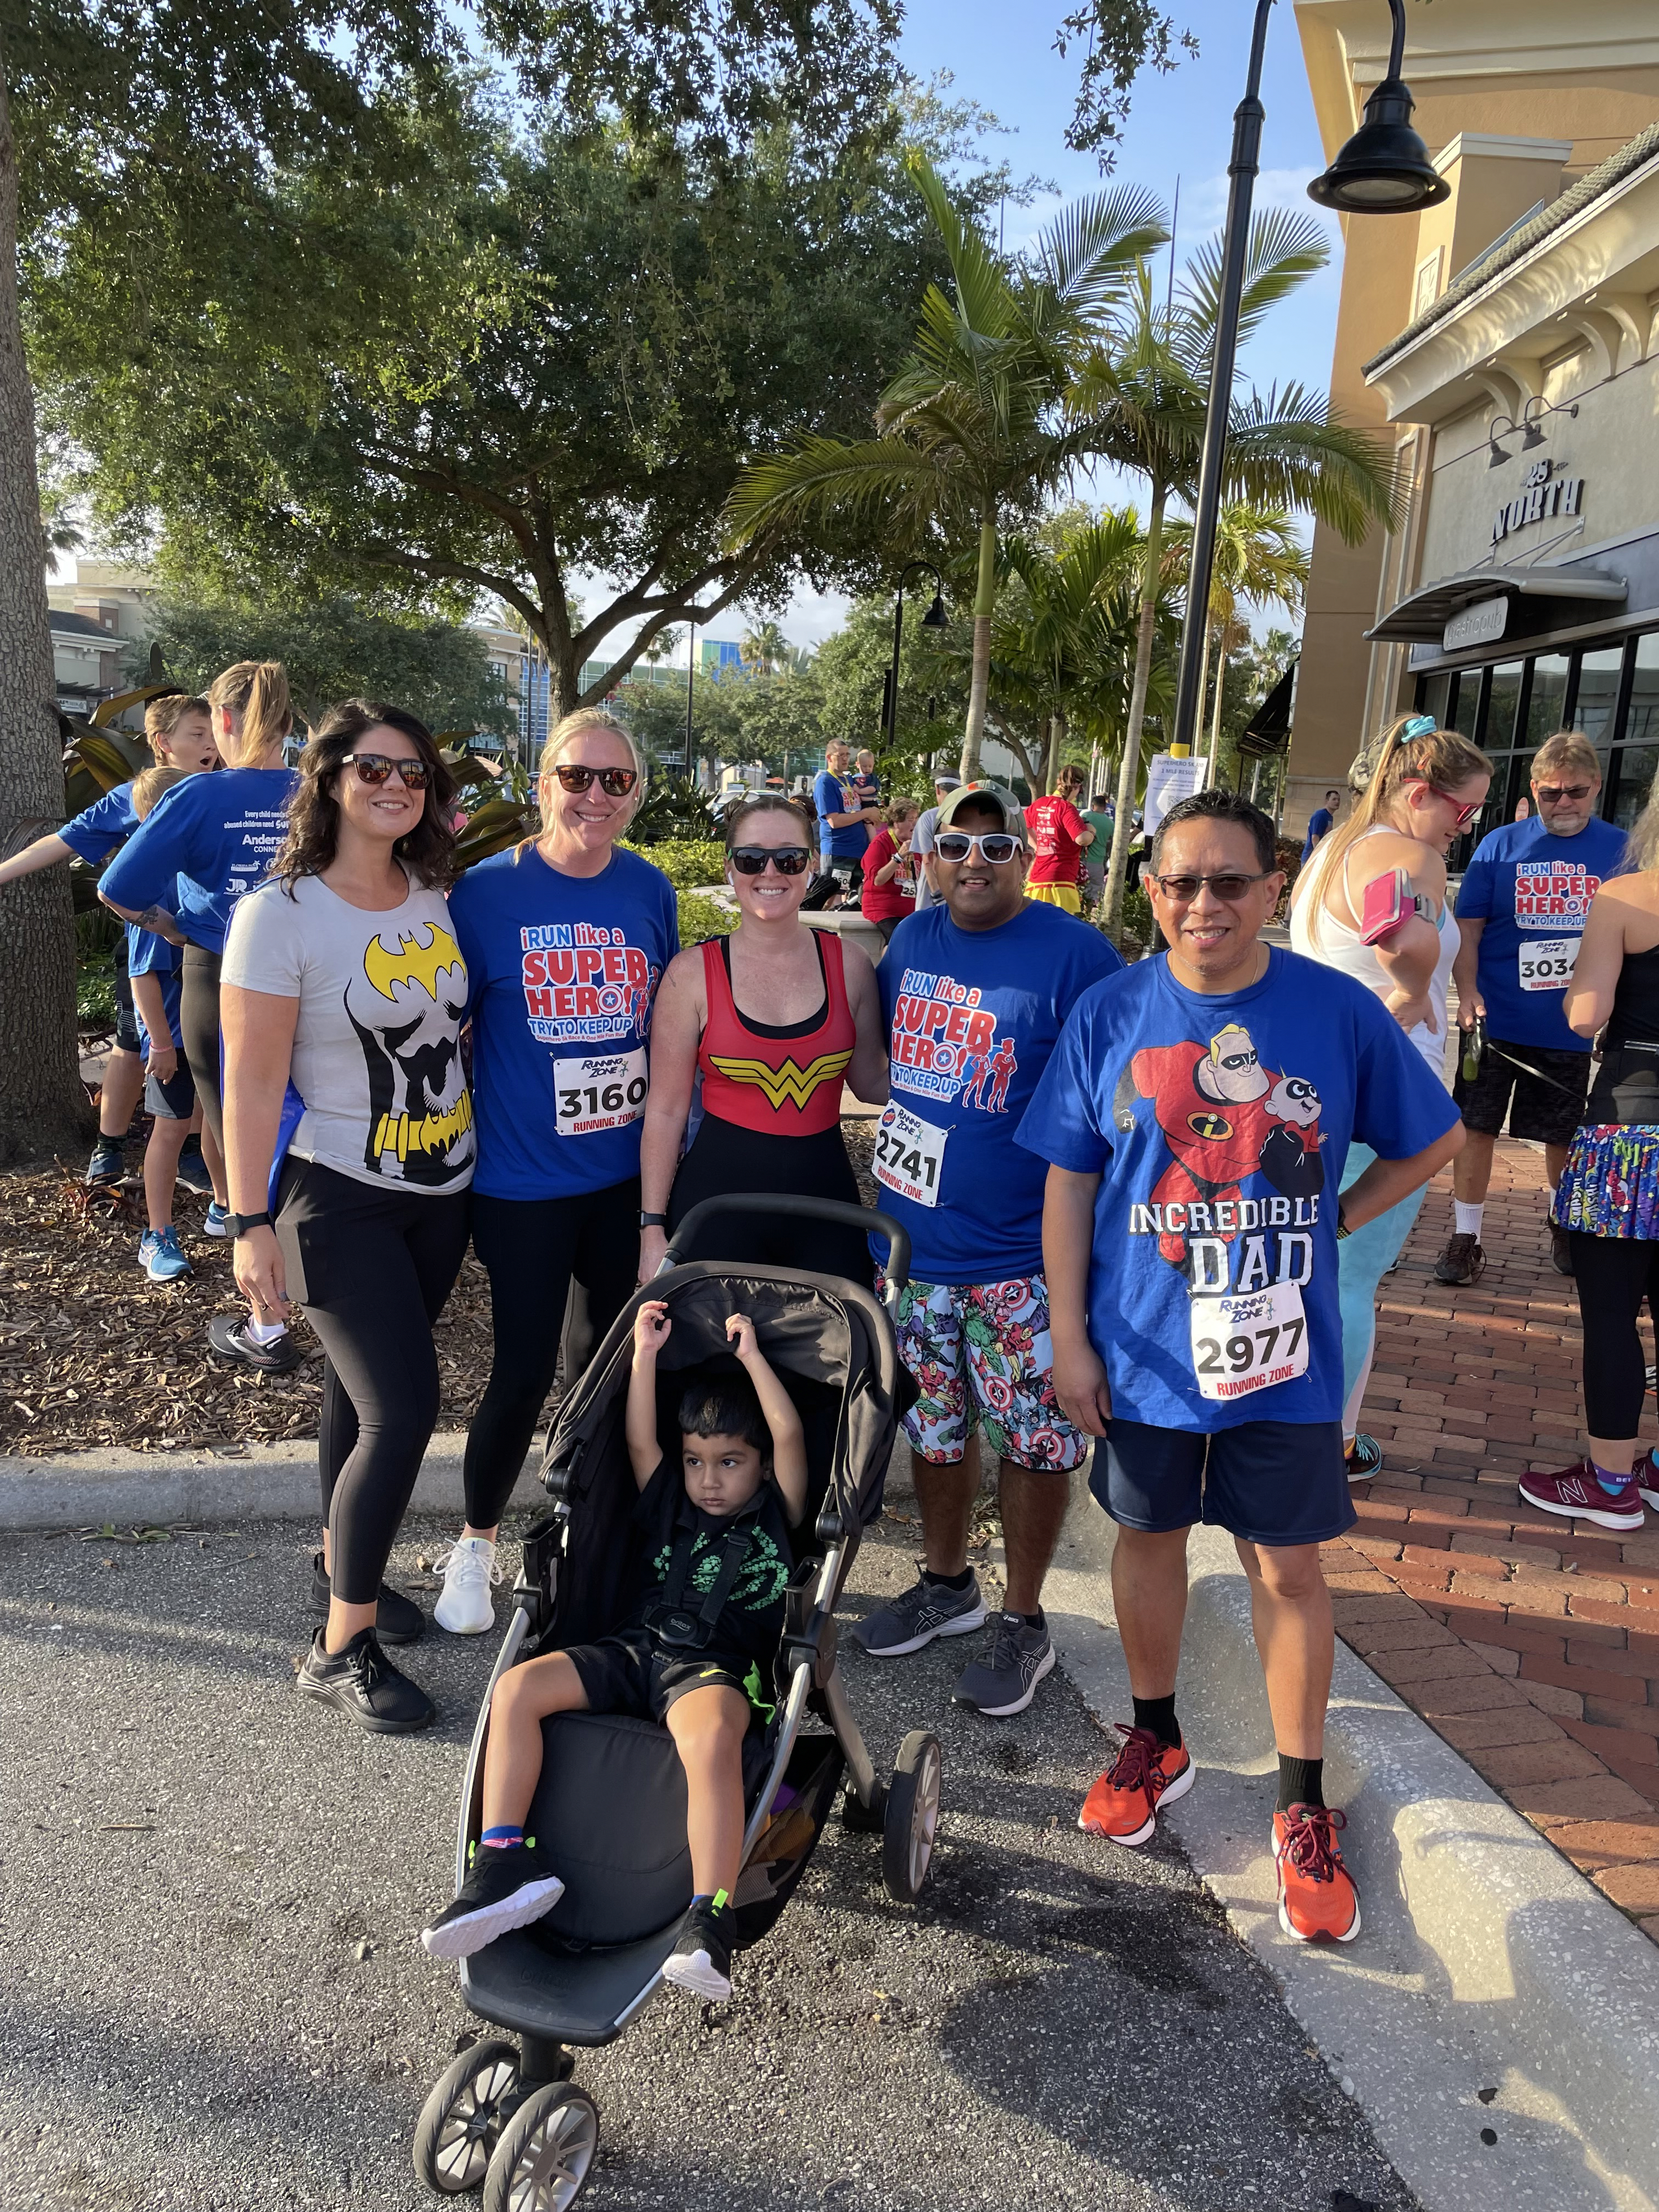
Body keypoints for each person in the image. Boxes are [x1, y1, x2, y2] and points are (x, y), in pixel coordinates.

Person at [1022, 788, 1462, 1943]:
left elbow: (1434, 1136)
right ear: (1151, 893)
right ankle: (1156, 1736)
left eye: (1230, 881)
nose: (1205, 903)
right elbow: (1069, 1179)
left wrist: (1342, 1217)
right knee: (1148, 1538)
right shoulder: (1113, 1012)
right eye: (1181, 883)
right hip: (1145, 1350)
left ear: (1274, 887)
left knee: (1290, 1571)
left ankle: (1300, 1800)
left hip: (1282, 1362)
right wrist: (1068, 1337)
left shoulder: (1334, 1011)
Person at [420, 1303, 806, 2001]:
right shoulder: (670, 1503)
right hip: (632, 1647)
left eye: (730, 1463)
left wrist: (753, 1359)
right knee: (517, 1690)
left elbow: (785, 1433)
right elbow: (637, 1444)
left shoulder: (778, 1510)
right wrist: (644, 1355)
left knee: (713, 1736)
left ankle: (707, 1918)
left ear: (759, 1468)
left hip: (712, 1667)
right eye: (695, 1461)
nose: (709, 1479)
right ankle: (505, 1861)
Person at [221, 700, 475, 1733]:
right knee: (401, 1414)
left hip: (441, 1194)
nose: (392, 784)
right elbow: (246, 1083)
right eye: (371, 767)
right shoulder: (279, 914)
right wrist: (247, 1222)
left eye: (411, 771)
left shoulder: (433, 891)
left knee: (355, 1399)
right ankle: (339, 1646)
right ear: (329, 778)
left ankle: (343, 1565)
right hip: (337, 1198)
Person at [854, 784, 1123, 1716]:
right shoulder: (912, 943)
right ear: (927, 857)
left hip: (1018, 1263)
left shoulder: (1077, 954)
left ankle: (1021, 1616)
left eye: (997, 844)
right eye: (953, 845)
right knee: (931, 1431)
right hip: (910, 1255)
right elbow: (880, 1064)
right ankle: (945, 1583)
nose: (974, 861)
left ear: (1027, 857)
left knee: (1036, 1442)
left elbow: (1111, 1103)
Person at [439, 709, 676, 1636]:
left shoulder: (649, 891)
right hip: (520, 1183)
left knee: (608, 1364)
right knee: (522, 1364)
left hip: (622, 1182)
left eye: (616, 782)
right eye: (577, 776)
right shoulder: (483, 895)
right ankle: (476, 1540)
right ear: (541, 784)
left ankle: (590, 1528)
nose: (594, 796)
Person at [1289, 716, 1490, 1480]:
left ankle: (1288, 1430)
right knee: (1350, 1274)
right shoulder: (1412, 855)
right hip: (1390, 1095)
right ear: (1418, 793)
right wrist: (1410, 995)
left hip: (1320, 1088)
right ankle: (1327, 1446)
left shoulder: (1334, 848)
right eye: (1462, 810)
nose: (1465, 828)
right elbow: (1394, 942)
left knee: (1310, 1265)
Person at [101, 661, 303, 1370]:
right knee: (313, 1127)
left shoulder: (196, 797)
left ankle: (269, 1325)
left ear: (222, 721)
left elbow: (117, 888)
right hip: (315, 978)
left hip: (219, 978)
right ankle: (334, 1294)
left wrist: (172, 927)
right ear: (287, 722)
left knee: (240, 1138)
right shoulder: (322, 794)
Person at [640, 795, 889, 1286]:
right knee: (709, 1359)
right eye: (752, 858)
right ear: (730, 868)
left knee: (838, 1356)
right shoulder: (691, 975)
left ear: (812, 866)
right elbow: (666, 1111)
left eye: (790, 858)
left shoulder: (851, 966)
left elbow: (873, 1082)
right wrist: (652, 1229)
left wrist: (963, 1074)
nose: (770, 873)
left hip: (826, 1203)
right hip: (715, 1205)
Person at [0, 692, 218, 1187]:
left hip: (211, 945)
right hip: (149, 947)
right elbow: (62, 841)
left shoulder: (227, 794)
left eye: (212, 734)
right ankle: (110, 1146)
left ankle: (192, 1153)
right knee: (132, 1044)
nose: (209, 744)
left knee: (206, 1049)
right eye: (197, 735)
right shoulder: (133, 797)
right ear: (163, 744)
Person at [1437, 730, 1626, 1286]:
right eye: (1551, 794)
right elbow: (1467, 930)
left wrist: (1612, 1009)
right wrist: (1467, 993)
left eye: (1576, 793)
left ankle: (1562, 1225)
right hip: (1496, 1020)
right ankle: (1465, 1236)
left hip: (1568, 1025)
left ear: (1596, 787)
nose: (1564, 804)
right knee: (1475, 1129)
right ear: (1534, 788)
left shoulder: (1619, 850)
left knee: (1561, 1136)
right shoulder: (1499, 846)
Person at [1521, 787, 1659, 1532]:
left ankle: (1611, 1483)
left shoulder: (1625, 898)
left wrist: (1581, 975)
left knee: (1612, 1315)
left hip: (1630, 1131)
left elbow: (1585, 1014)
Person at [123, 767, 209, 1282]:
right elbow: (143, 976)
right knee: (172, 1130)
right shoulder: (150, 893)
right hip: (174, 1041)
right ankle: (157, 1233)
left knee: (218, 1128)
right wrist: (160, 1043)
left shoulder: (195, 881)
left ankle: (227, 1207)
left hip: (211, 1033)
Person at [1024, 764, 1094, 916]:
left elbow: (1024, 826)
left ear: (1058, 783)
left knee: (1034, 926)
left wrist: (1038, 847)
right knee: (1060, 930)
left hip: (1036, 880)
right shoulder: (1066, 808)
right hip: (1061, 880)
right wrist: (1091, 832)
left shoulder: (1039, 804)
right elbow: (1081, 839)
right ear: (1076, 787)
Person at [810, 740, 874, 901]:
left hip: (859, 850)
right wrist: (866, 812)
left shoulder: (849, 780)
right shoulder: (825, 782)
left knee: (854, 899)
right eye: (841, 755)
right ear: (829, 757)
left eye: (848, 755)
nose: (846, 759)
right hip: (838, 851)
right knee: (828, 899)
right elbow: (834, 821)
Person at [860, 795, 921, 945]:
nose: (916, 823)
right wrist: (899, 857)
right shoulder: (880, 843)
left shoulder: (918, 843)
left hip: (912, 908)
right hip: (885, 909)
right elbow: (878, 880)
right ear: (897, 822)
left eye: (916, 818)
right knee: (898, 941)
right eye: (910, 820)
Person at [910, 770, 961, 912]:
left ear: (937, 789)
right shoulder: (967, 815)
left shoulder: (929, 817)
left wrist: (938, 897)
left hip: (932, 895)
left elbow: (927, 860)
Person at [1081, 789, 1115, 911]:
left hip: (1082, 860)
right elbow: (1111, 842)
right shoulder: (1110, 823)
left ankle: (1077, 914)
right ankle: (1087, 913)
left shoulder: (1086, 817)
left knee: (1078, 888)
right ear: (1105, 807)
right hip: (1099, 861)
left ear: (1093, 806)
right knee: (1094, 889)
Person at [1301, 789, 1343, 865]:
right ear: (1327, 801)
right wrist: (1318, 856)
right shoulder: (1320, 815)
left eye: (1339, 800)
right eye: (1334, 799)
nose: (1337, 802)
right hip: (1311, 859)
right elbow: (1315, 838)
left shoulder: (1329, 816)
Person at [848, 747, 882, 811]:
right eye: (864, 766)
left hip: (870, 803)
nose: (867, 769)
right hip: (858, 803)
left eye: (870, 766)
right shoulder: (855, 777)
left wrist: (859, 791)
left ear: (873, 765)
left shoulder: (873, 778)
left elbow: (872, 789)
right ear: (858, 765)